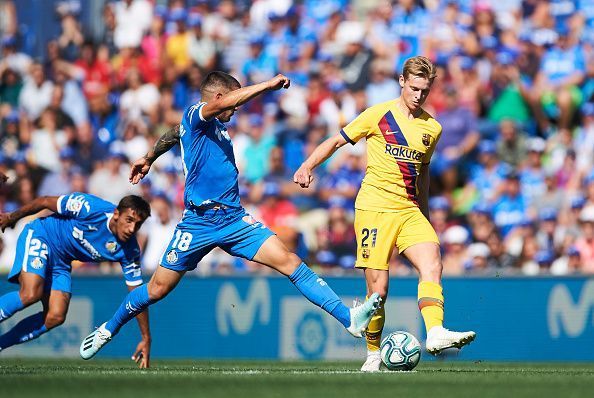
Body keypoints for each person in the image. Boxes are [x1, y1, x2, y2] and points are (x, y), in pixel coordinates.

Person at [79, 71, 380, 361]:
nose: (236, 110)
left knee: (291, 262)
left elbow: (173, 135)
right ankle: (108, 329)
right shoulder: (196, 114)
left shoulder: (212, 128)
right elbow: (212, 110)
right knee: (157, 289)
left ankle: (348, 319)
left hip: (234, 220)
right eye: (233, 102)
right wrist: (267, 85)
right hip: (198, 223)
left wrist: (148, 157)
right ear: (221, 97)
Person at [294, 56, 476, 372]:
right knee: (378, 292)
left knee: (432, 260)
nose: (419, 95)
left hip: (409, 210)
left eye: (425, 90)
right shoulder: (379, 115)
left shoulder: (432, 128)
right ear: (402, 82)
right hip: (374, 209)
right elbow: (337, 141)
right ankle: (374, 354)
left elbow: (423, 174)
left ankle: (434, 332)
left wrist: (426, 213)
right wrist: (307, 165)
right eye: (415, 88)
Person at [0, 193, 152, 368]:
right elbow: (44, 201)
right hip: (42, 235)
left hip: (62, 261)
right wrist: (12, 217)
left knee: (55, 316)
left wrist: (146, 337)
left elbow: (138, 295)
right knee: (31, 293)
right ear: (117, 214)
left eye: (138, 224)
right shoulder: (90, 208)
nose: (132, 229)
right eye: (129, 220)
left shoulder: (130, 251)